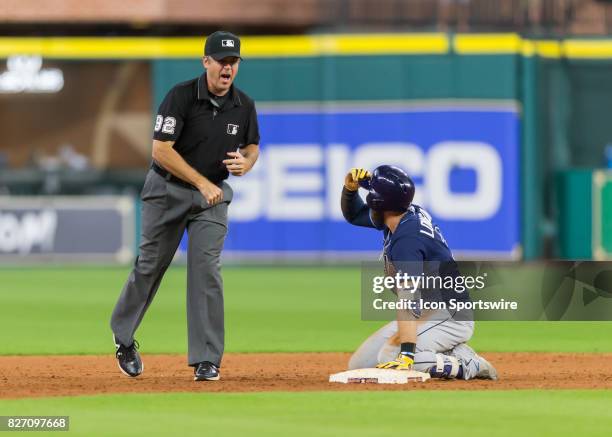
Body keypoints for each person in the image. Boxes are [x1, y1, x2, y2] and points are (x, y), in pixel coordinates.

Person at [110, 31, 260, 382]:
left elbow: (252, 145)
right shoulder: (181, 96)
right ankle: (123, 336)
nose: (228, 67)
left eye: (233, 61)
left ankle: (207, 359)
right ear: (206, 62)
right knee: (149, 267)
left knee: (206, 271)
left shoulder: (244, 105)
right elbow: (161, 149)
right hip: (167, 191)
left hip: (211, 200)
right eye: (222, 60)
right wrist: (202, 183)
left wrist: (247, 162)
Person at [341, 166, 497, 380]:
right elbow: (355, 215)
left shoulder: (407, 240)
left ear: (381, 205)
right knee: (359, 364)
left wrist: (406, 354)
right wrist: (350, 190)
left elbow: (408, 301)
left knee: (392, 354)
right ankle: (442, 350)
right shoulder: (401, 214)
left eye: (371, 195)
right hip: (426, 311)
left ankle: (469, 363)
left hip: (450, 314)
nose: (368, 200)